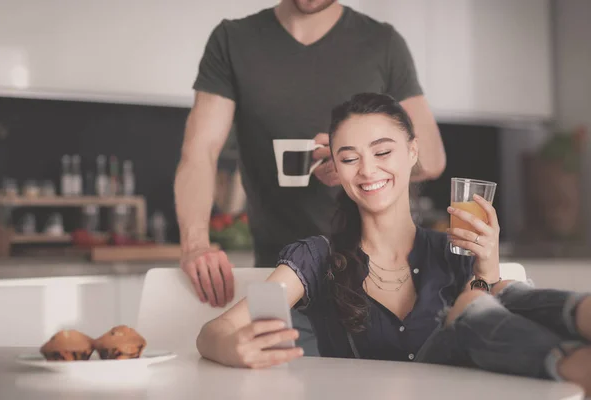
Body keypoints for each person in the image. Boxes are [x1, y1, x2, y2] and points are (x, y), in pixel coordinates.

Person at [195, 93, 591, 394]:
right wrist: (233, 349)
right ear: (336, 167)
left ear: (412, 152)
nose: (368, 170)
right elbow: (213, 332)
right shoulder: (318, 257)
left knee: (498, 293)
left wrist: (485, 265)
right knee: (473, 304)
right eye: (349, 159)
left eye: (383, 151)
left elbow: (490, 347)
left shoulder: (452, 248)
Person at [175, 0, 445, 357]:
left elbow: (431, 158)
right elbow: (200, 151)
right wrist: (196, 242)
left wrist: (355, 159)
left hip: (372, 282)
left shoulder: (382, 43)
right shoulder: (233, 40)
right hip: (278, 280)